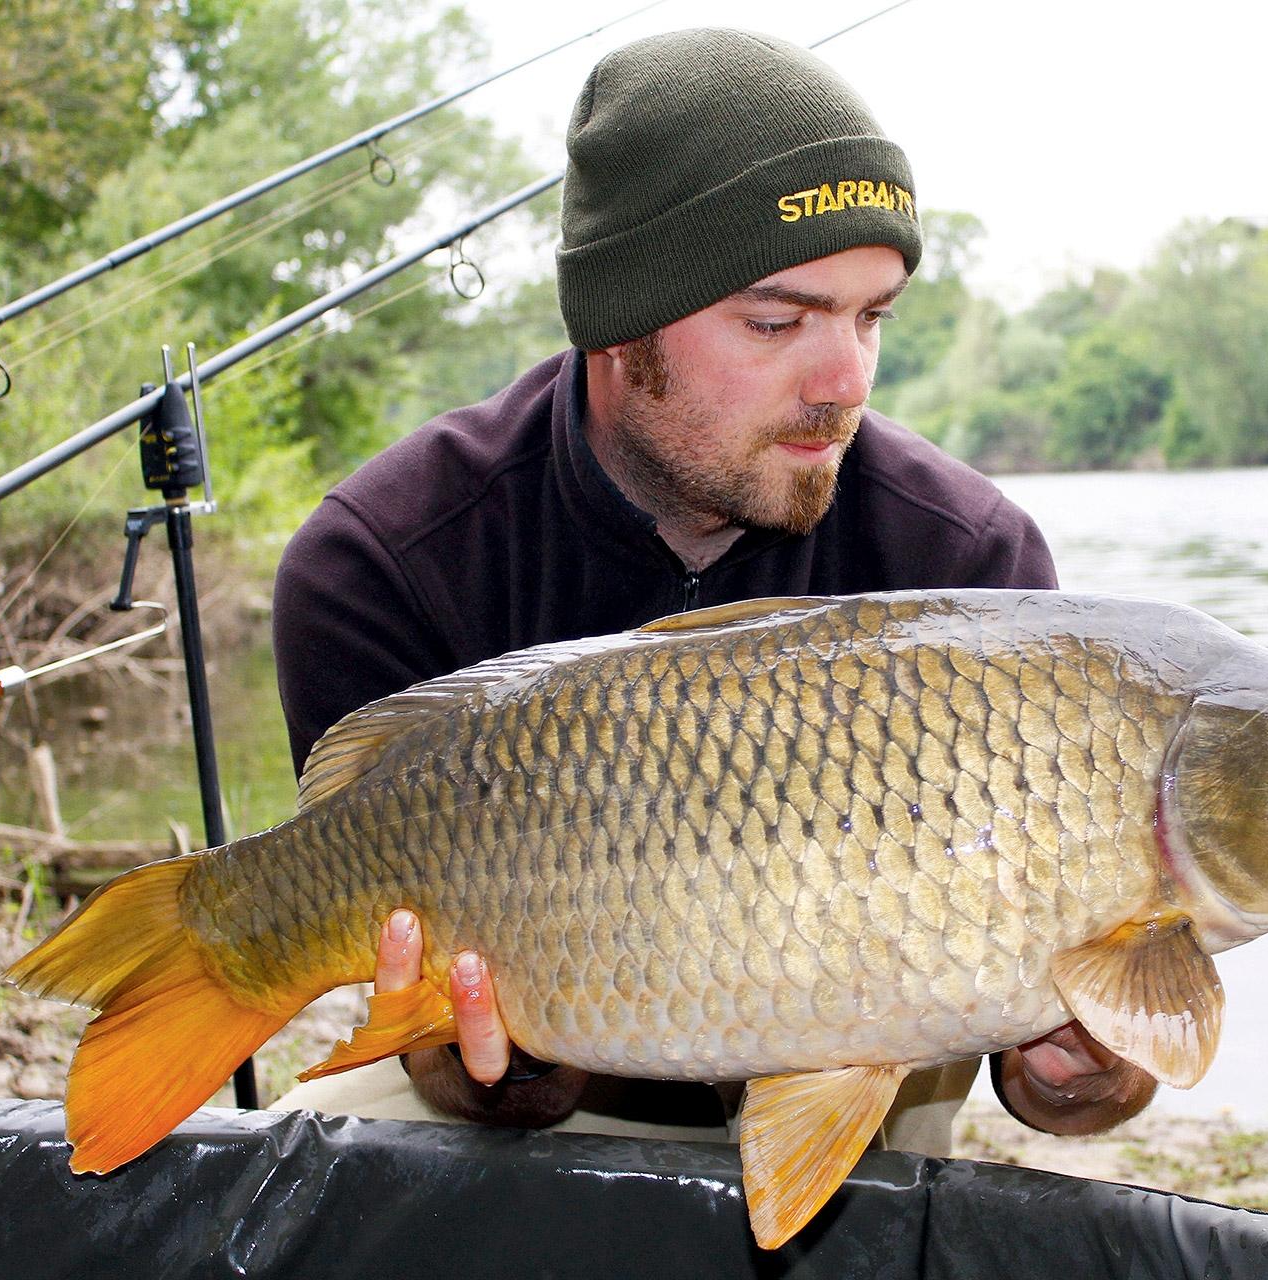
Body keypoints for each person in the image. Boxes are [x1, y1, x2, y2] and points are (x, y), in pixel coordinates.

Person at [269, 28, 1154, 1153]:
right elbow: (461, 1072)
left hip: (865, 1079)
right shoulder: (384, 560)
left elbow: (1058, 1090)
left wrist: (1083, 1066)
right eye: (776, 322)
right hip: (549, 1100)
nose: (845, 382)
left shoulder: (968, 565)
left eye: (872, 316)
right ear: (619, 324)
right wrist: (497, 1056)